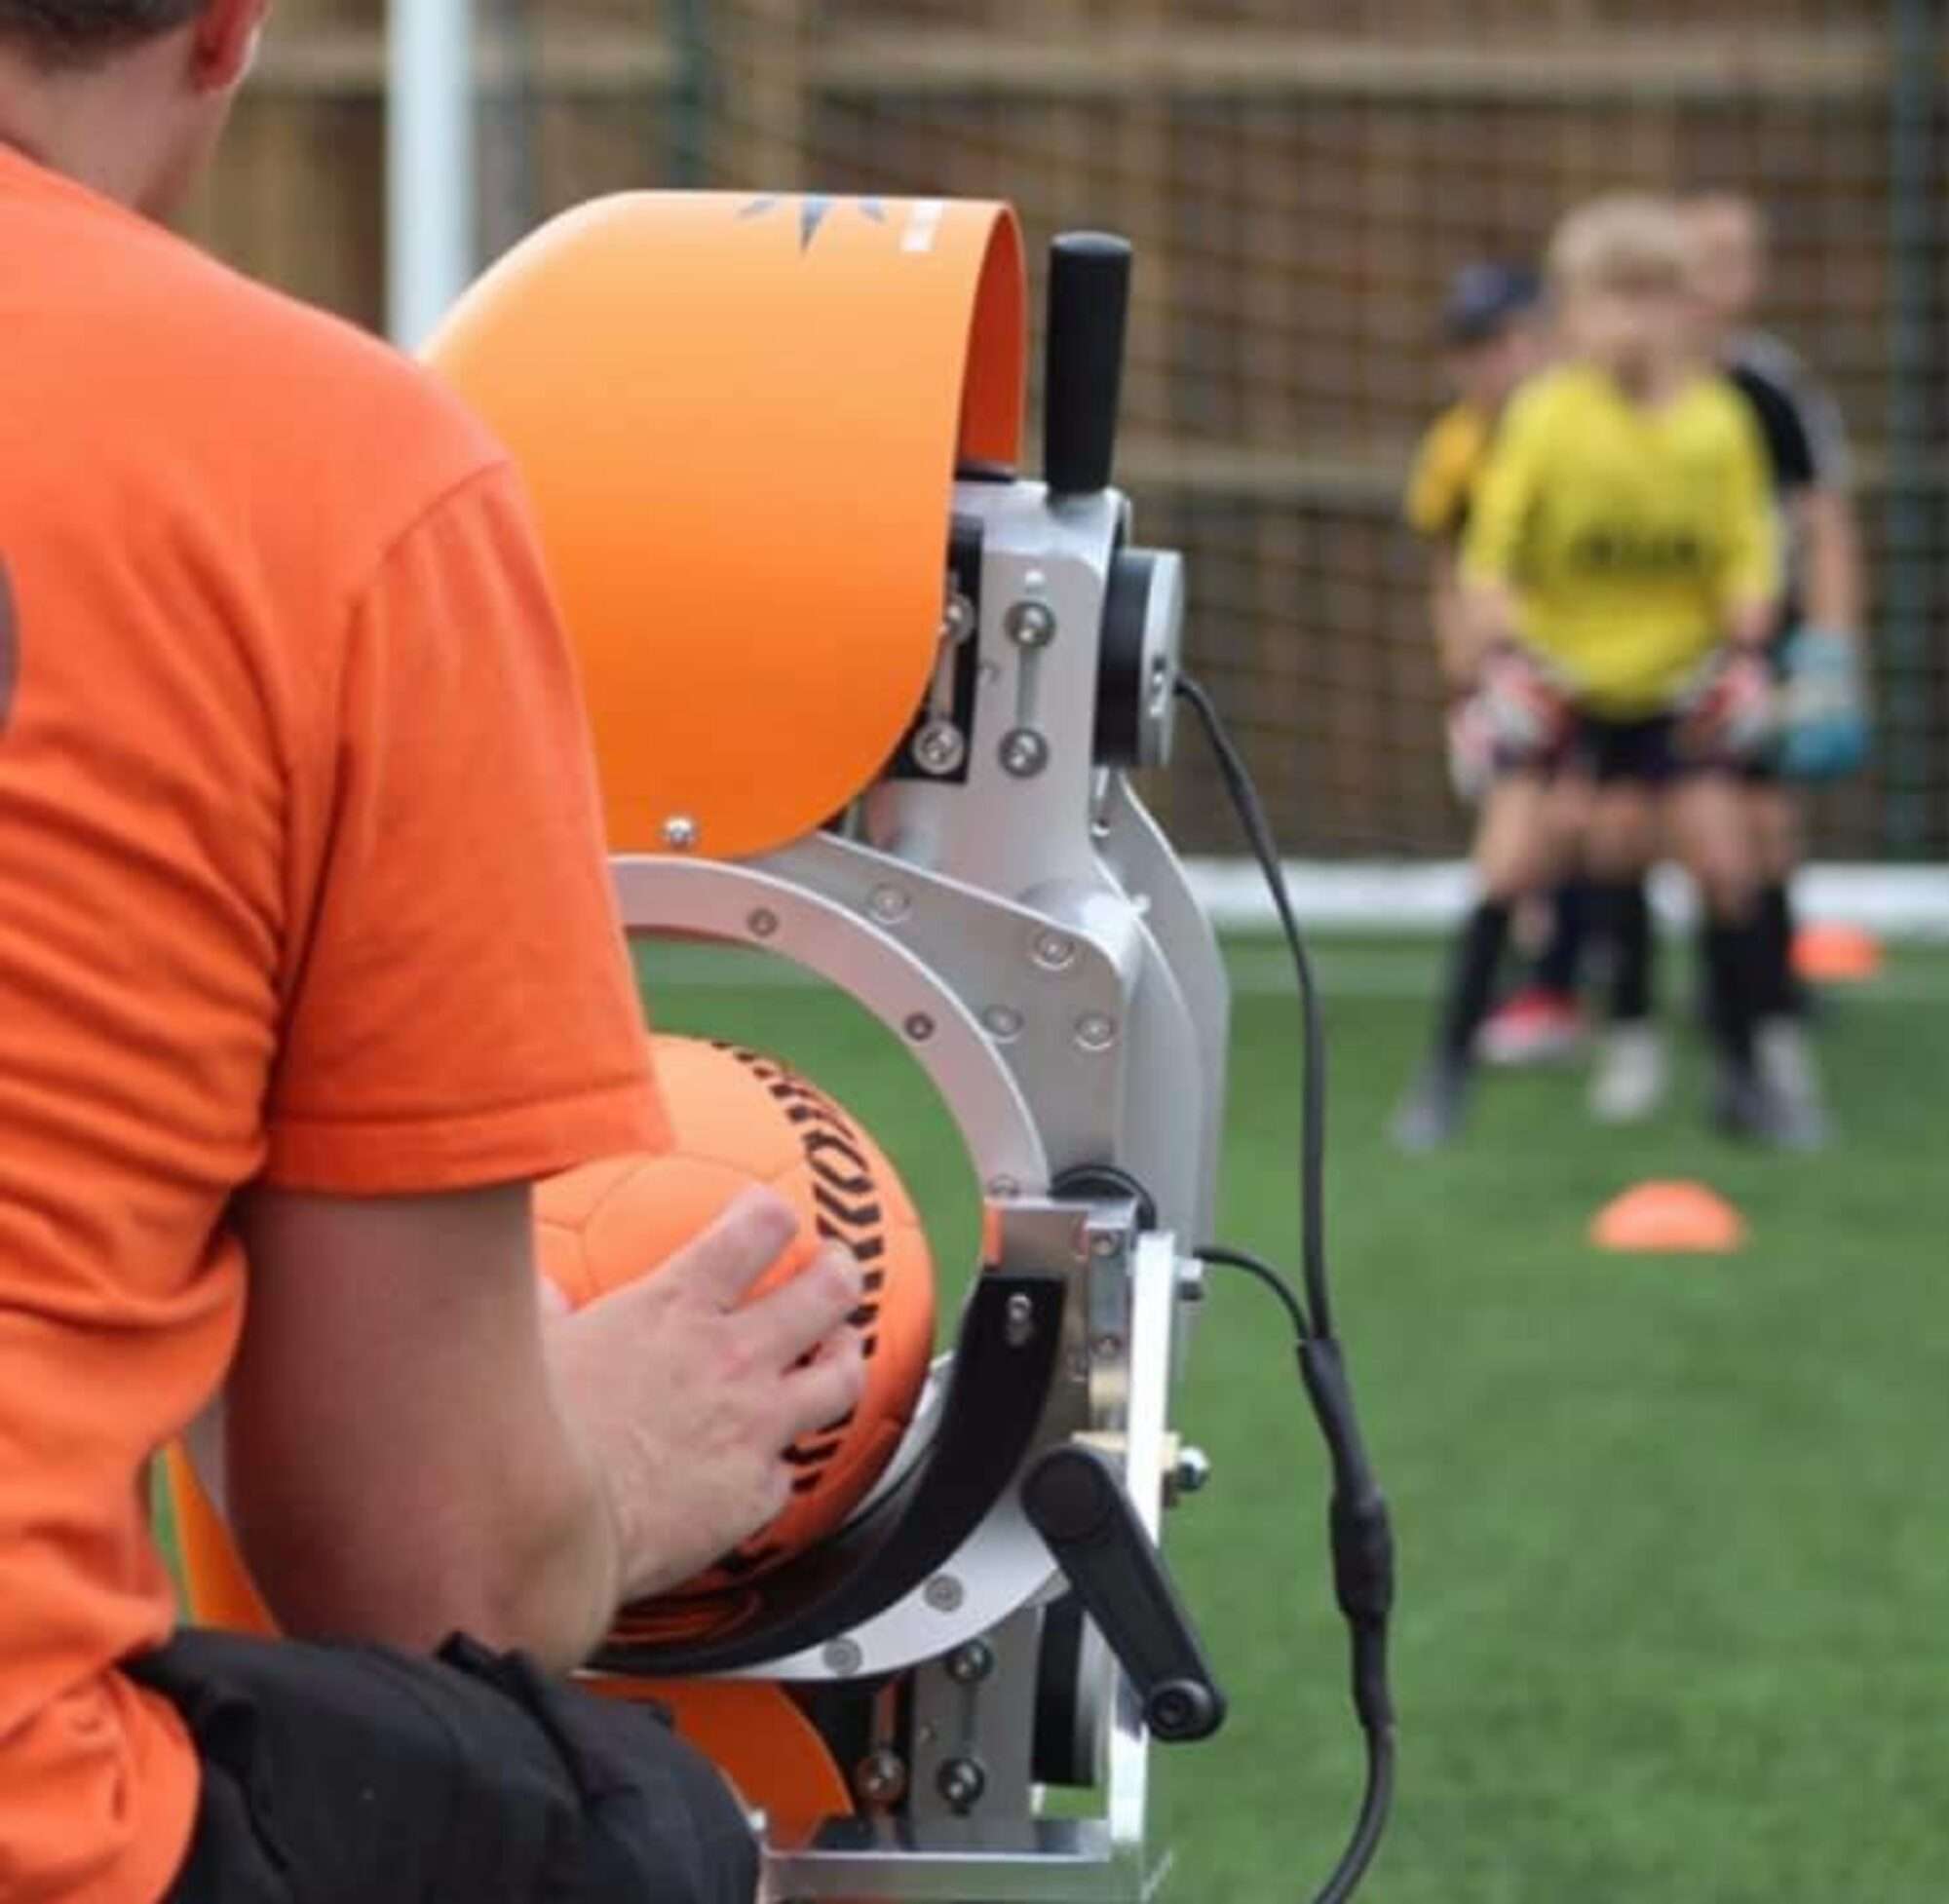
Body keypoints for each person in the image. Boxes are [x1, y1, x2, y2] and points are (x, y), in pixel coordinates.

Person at [0, 5, 868, 1901]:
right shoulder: (317, 470)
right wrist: (616, 1468)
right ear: (224, 30)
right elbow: (426, 1577)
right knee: (627, 1827)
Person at [1394, 193, 1796, 1151]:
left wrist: (1748, 632)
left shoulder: (1716, 421)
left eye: (1653, 297)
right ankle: (1443, 1075)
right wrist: (1498, 641)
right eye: (1610, 298)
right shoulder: (1543, 418)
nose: (1631, 321)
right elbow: (1491, 548)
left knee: (1723, 863)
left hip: (1671, 681)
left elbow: (1749, 545)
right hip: (1563, 679)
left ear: (1683, 307)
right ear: (1569, 312)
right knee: (1508, 863)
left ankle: (1748, 1076)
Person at [1684, 189, 1869, 1144]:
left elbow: (1819, 522)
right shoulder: (1617, 392)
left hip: (1743, 646)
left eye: (1734, 258)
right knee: (1589, 835)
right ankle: (1618, 1015)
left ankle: (1756, 1041)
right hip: (1643, 653)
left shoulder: (1770, 391)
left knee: (1749, 834)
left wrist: (1827, 649)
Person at [1404, 265, 1593, 1067]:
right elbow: (1449, 562)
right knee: (1527, 830)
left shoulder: (1584, 429)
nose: (1492, 366)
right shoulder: (1454, 450)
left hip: (1598, 654)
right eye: (1473, 350)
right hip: (1516, 664)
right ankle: (1532, 994)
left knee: (1586, 826)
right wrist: (1465, 654)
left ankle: (1573, 990)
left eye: (1506, 344)